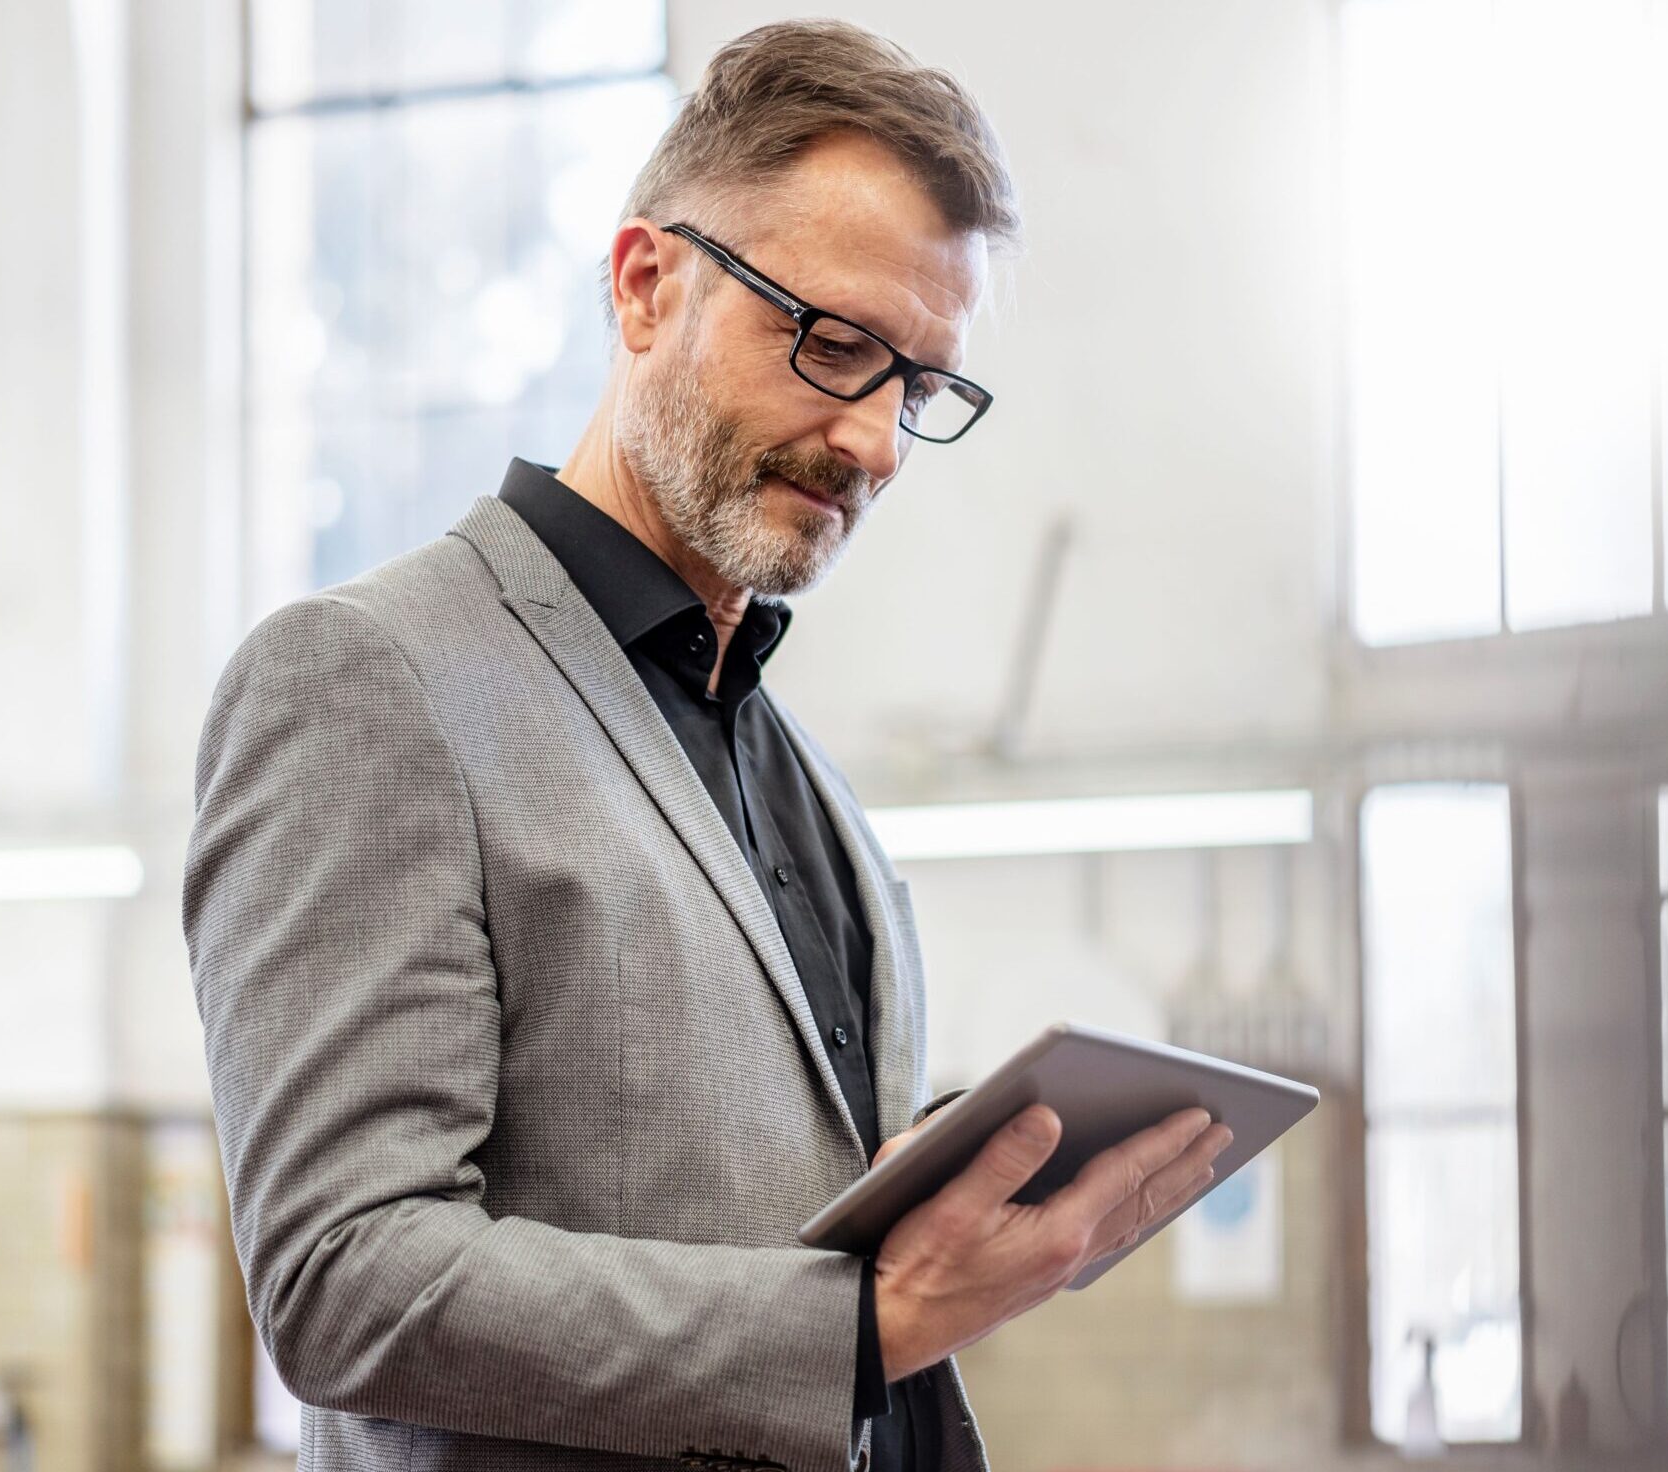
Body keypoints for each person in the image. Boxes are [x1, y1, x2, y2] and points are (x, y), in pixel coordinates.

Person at [182, 21, 1232, 1472]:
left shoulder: (803, 783)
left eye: (918, 389)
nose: (872, 442)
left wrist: (953, 1191)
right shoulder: (368, 681)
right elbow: (347, 1278)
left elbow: (744, 1201)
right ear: (644, 286)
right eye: (834, 343)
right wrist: (864, 1324)